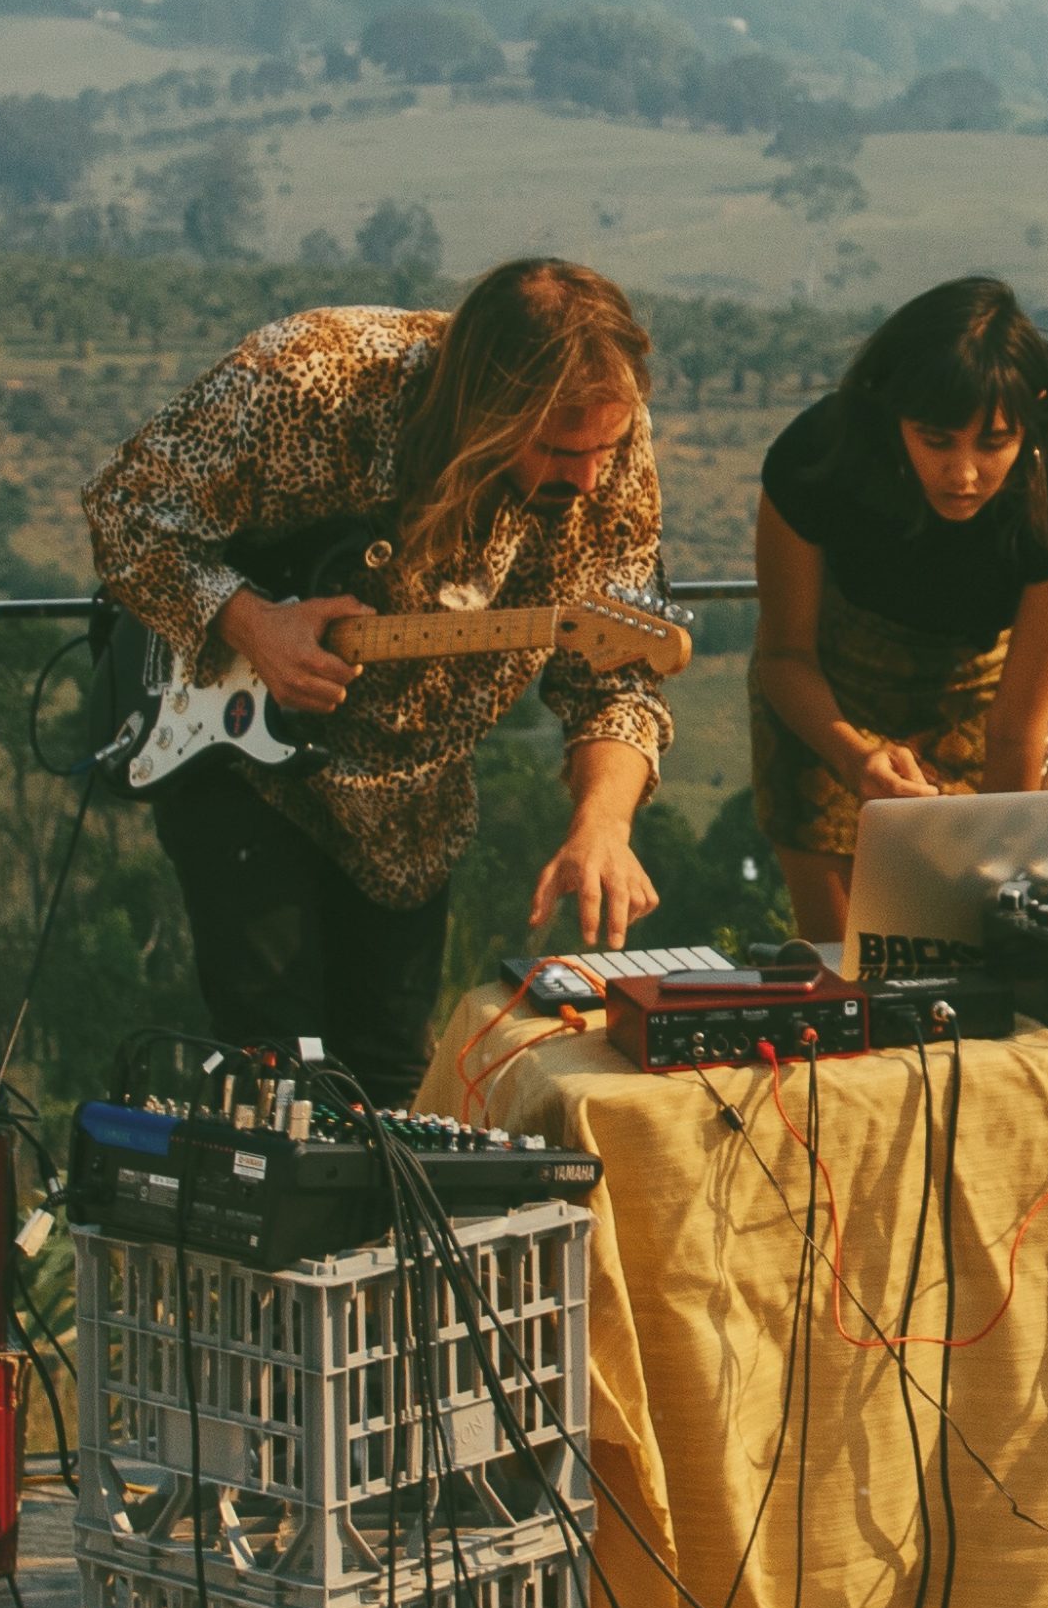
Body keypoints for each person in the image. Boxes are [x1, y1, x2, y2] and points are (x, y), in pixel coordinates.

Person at [84, 258, 675, 1105]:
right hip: (238, 749)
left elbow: (615, 680)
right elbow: (125, 509)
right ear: (484, 409)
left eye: (602, 450)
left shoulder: (608, 430)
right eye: (555, 449)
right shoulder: (308, 379)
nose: (586, 477)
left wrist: (602, 826)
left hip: (409, 792)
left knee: (394, 1071)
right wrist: (255, 625)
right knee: (273, 1060)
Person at [750, 276, 1048, 943]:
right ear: (892, 412)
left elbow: (1016, 725)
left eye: (993, 444)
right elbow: (784, 654)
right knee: (843, 956)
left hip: (988, 696)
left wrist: (995, 875)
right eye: (937, 440)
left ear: (1032, 413)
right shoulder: (817, 458)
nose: (964, 474)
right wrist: (854, 759)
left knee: (977, 935)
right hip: (828, 688)